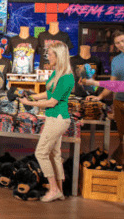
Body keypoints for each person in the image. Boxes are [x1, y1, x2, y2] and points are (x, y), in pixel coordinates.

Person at [19, 41, 74, 202]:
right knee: (55, 154)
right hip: (52, 117)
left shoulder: (66, 78)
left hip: (58, 118)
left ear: (59, 56)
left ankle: (54, 189)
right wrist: (30, 96)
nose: (48, 57)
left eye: (50, 54)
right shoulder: (56, 73)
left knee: (41, 152)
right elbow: (47, 94)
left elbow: (52, 102)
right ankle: (60, 191)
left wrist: (30, 104)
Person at [87, 30, 124, 164]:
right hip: (119, 102)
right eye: (117, 43)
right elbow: (113, 83)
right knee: (122, 137)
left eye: (122, 41)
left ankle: (115, 161)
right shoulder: (116, 60)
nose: (121, 45)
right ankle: (117, 166)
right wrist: (100, 96)